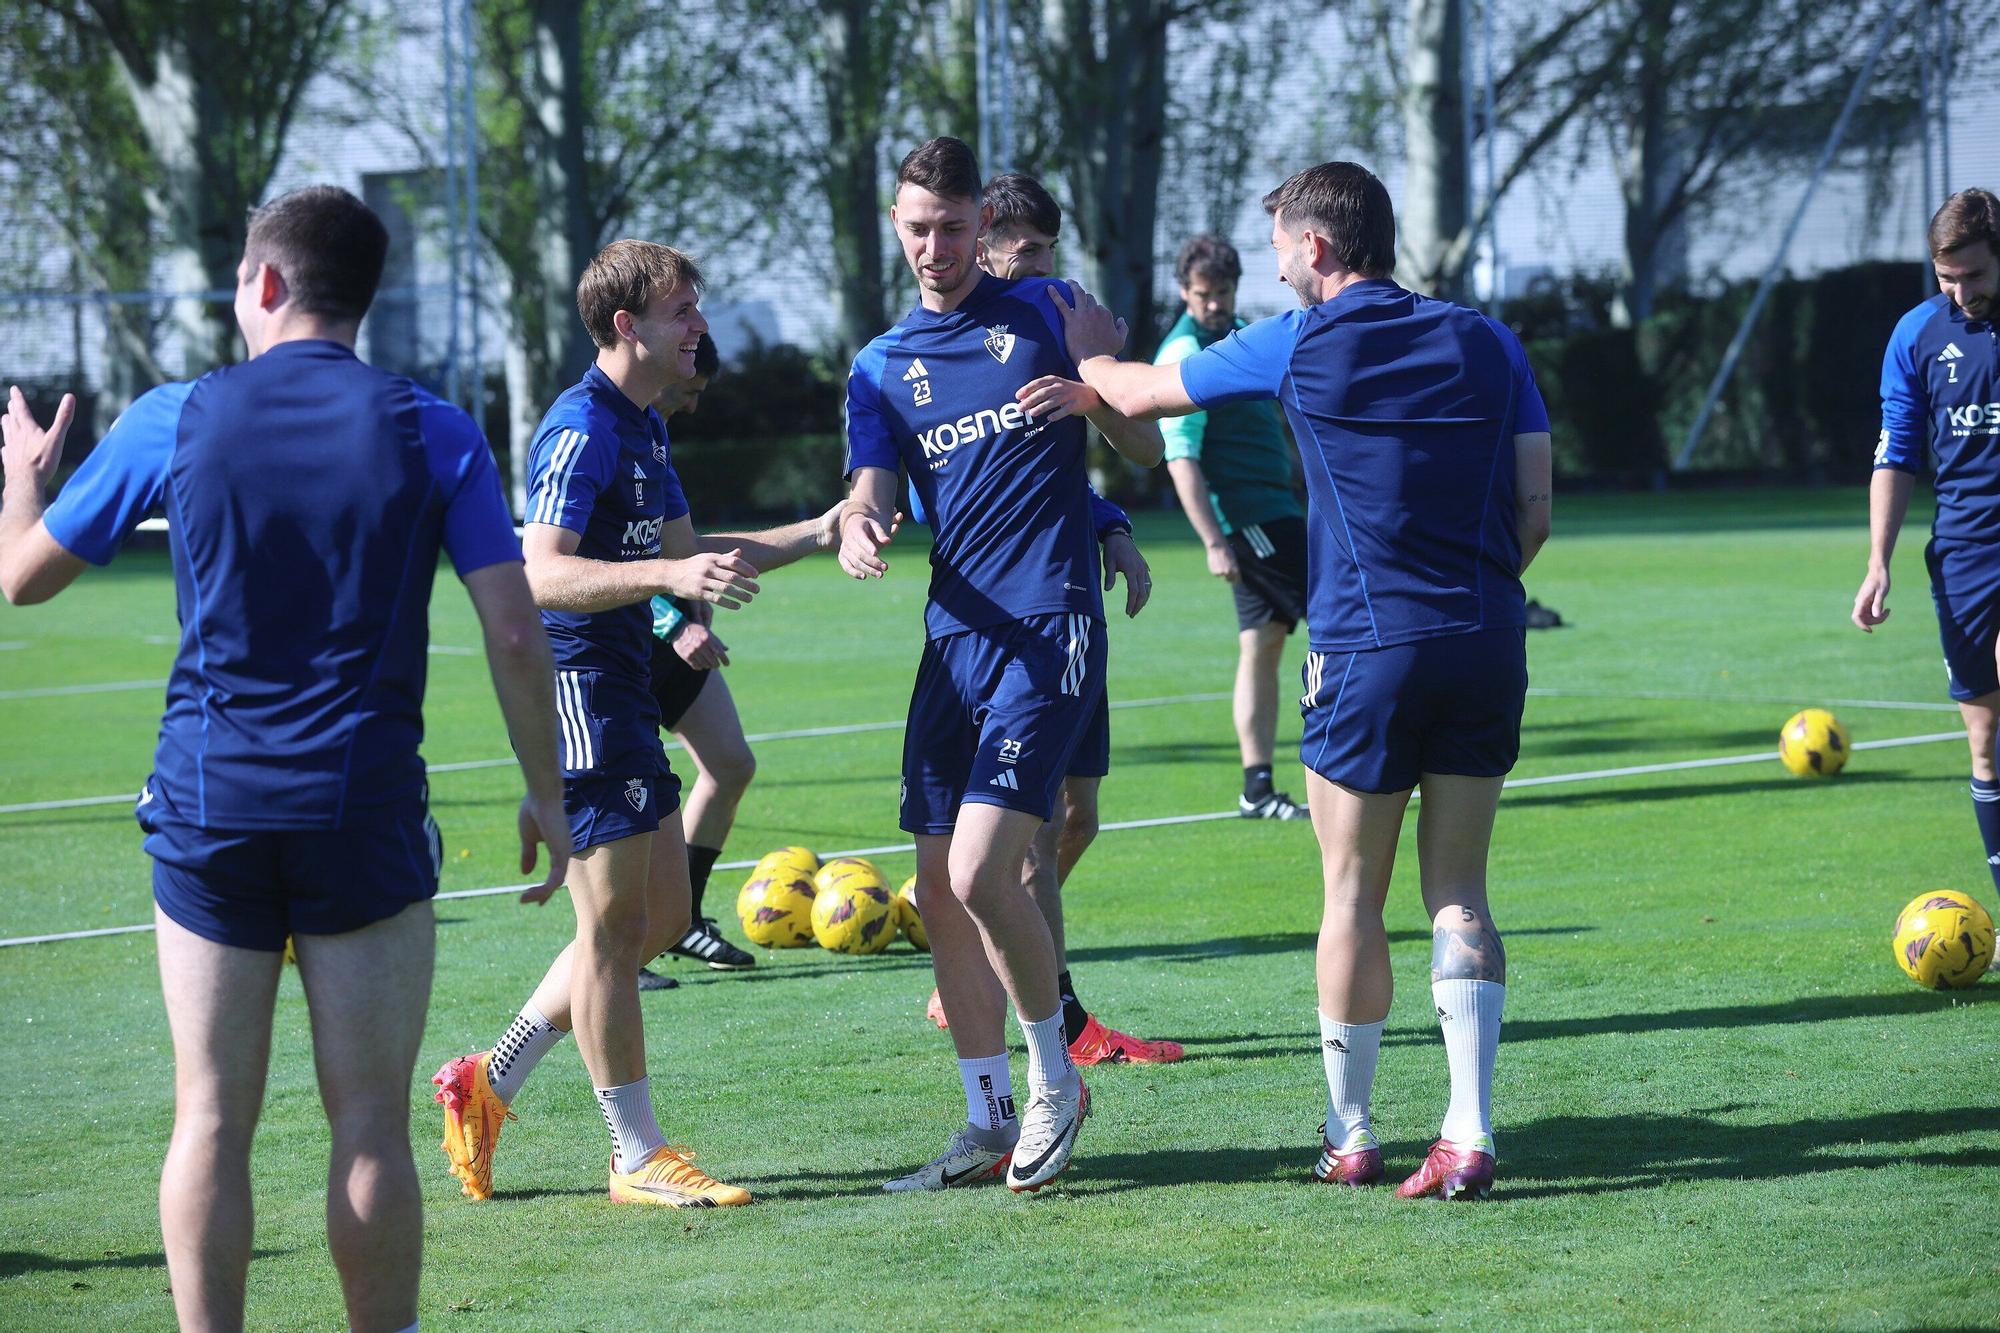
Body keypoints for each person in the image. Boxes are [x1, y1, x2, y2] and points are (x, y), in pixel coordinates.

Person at [0, 185, 569, 1331]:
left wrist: (24, 467)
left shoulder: (177, 414)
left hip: (210, 809)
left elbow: (19, 574)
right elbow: (515, 628)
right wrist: (548, 794)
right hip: (359, 810)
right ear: (362, 297)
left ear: (264, 284)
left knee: (209, 1115)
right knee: (368, 1119)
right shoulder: (434, 426)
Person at [1060, 161, 1552, 1200]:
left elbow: (1140, 394)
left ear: (1316, 249)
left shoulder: (1297, 338)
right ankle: (1467, 1130)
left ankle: (1352, 1129)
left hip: (1365, 651)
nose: (1273, 262)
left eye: (1280, 242)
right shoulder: (1486, 337)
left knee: (1350, 896)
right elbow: (1533, 514)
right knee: (1457, 890)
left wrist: (1085, 341)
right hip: (1484, 639)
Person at [433, 240, 837, 1207]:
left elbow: (700, 554)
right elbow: (539, 572)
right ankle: (634, 1152)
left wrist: (820, 531)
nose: (700, 324)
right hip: (585, 687)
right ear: (629, 327)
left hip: (632, 679)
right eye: (682, 309)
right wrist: (665, 582)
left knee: (655, 919)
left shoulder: (647, 429)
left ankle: (488, 1080)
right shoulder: (583, 426)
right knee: (615, 930)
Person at [839, 138, 1164, 1194]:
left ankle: (1052, 1081)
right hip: (952, 636)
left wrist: (1095, 403)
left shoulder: (1051, 312)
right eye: (915, 228)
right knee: (939, 887)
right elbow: (874, 487)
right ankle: (982, 1119)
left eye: (951, 226)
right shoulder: (879, 365)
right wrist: (860, 525)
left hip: (1047, 623)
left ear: (984, 225)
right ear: (897, 228)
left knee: (985, 869)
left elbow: (1147, 450)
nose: (933, 246)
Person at [944, 169, 1183, 1065]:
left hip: (1074, 611)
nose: (1038, 266)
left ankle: (994, 946)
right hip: (1010, 623)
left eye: (1046, 250)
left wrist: (1111, 518)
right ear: (980, 246)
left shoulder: (1063, 319)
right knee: (1033, 836)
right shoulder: (954, 341)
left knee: (1079, 818)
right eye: (1021, 251)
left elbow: (1141, 445)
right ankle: (1069, 1024)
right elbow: (974, 482)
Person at [1855, 187, 2000, 947]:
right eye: (1949, 279)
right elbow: (1897, 450)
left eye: (1974, 276)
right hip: (1963, 554)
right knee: (1984, 740)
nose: (1962, 292)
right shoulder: (1917, 333)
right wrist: (1878, 561)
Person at [637, 332, 786, 986]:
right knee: (628, 809)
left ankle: (682, 920)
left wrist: (818, 532)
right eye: (691, 389)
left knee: (729, 764)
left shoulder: (656, 434)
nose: (694, 404)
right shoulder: (603, 428)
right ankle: (615, 956)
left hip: (673, 637)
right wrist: (672, 621)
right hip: (618, 647)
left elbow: (683, 547)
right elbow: (596, 560)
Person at [1154, 234, 1311, 821]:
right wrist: (1215, 541)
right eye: (1203, 295)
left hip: (1276, 509)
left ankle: (1258, 788)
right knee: (1351, 625)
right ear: (1182, 291)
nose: (1214, 304)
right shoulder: (1183, 355)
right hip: (1254, 523)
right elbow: (1181, 458)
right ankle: (1372, 766)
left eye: (1222, 292)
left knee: (1263, 646)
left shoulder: (1238, 335)